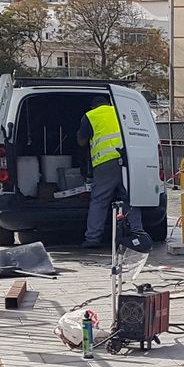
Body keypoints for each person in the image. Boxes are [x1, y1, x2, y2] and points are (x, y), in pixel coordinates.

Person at [80, 95, 144, 250]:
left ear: (93, 106)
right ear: (109, 103)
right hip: (129, 161)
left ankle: (93, 238)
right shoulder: (122, 112)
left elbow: (81, 141)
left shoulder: (90, 116)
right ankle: (138, 234)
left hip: (105, 163)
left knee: (99, 200)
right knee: (131, 199)